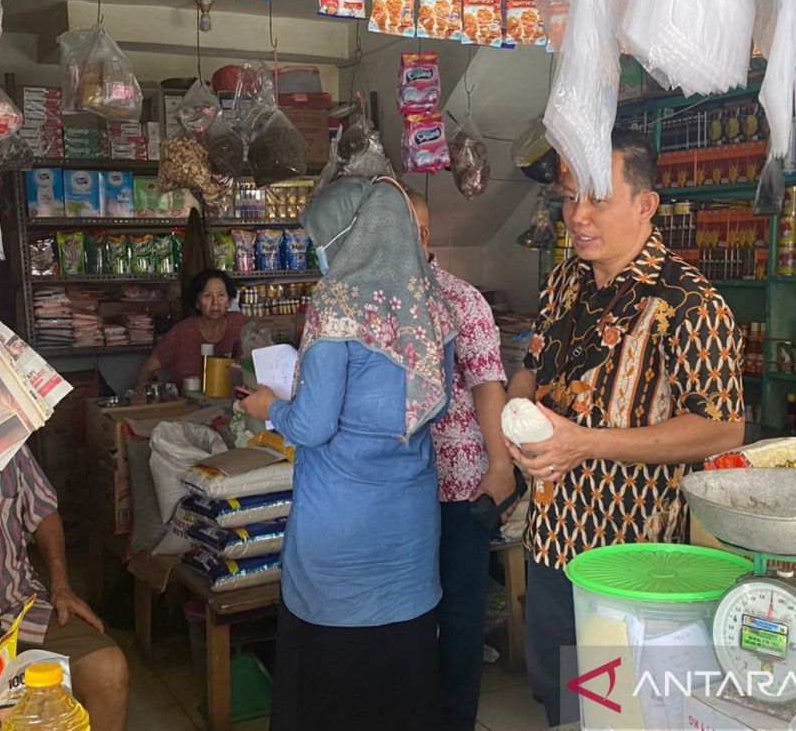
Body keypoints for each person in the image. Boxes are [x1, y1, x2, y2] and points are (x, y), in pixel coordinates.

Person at [505, 130, 746, 726]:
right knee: (562, 698)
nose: (578, 217)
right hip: (554, 535)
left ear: (645, 205)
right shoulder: (565, 282)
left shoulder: (689, 303)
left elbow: (723, 428)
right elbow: (532, 367)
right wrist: (517, 419)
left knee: (624, 709)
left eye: (597, 200)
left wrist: (584, 442)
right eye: (568, 198)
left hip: (634, 553)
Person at [239, 176, 457, 731]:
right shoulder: (433, 304)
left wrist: (268, 407)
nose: (320, 252)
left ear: (348, 235)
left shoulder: (337, 303)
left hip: (341, 531)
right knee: (401, 685)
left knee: (330, 691)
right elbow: (432, 403)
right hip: (409, 525)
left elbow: (312, 425)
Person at [409, 190, 519, 731]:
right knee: (406, 608)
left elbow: (487, 385)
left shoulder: (459, 299)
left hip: (458, 484)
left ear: (423, 236)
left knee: (458, 607)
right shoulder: (375, 303)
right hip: (398, 488)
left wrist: (499, 469)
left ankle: (453, 719)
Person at [0, 446, 130, 731]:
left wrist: (61, 586)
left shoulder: (8, 446)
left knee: (108, 670)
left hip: (18, 607)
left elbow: (44, 512)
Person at [137, 269, 246, 390]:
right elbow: (150, 368)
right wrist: (142, 392)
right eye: (207, 296)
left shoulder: (238, 324)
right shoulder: (182, 332)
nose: (215, 303)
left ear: (229, 302)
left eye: (221, 295)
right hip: (188, 402)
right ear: (197, 303)